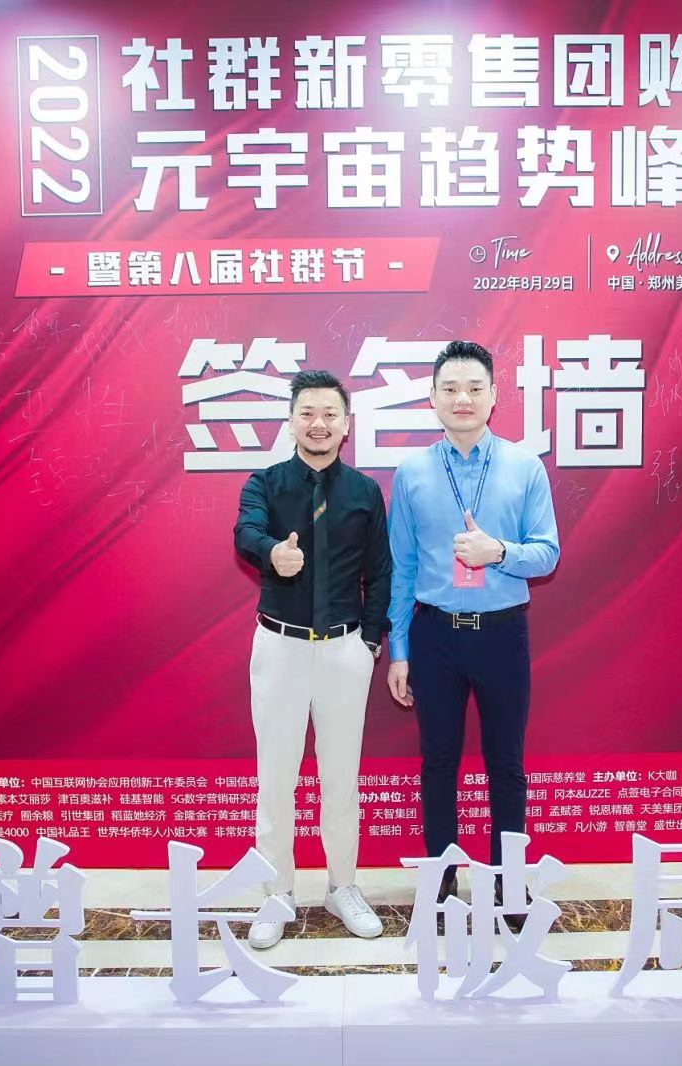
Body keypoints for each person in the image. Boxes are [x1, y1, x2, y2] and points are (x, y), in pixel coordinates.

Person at [385, 340, 560, 904]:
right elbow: (401, 566)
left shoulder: (524, 467)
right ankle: (441, 880)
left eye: (474, 388)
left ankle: (509, 882)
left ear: (493, 396)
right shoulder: (411, 473)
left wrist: (498, 552)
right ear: (433, 398)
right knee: (438, 761)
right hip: (435, 635)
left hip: (502, 634)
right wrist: (399, 649)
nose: (462, 398)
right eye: (450, 388)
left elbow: (548, 553)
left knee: (506, 763)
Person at [234, 369, 390, 948]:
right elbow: (245, 532)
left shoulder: (365, 493)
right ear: (291, 421)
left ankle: (342, 886)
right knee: (275, 778)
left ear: (346, 425)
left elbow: (381, 572)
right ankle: (276, 894)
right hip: (280, 649)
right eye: (307, 413)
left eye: (330, 414)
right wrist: (272, 552)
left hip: (345, 652)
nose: (318, 423)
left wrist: (368, 645)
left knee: (340, 779)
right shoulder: (266, 483)